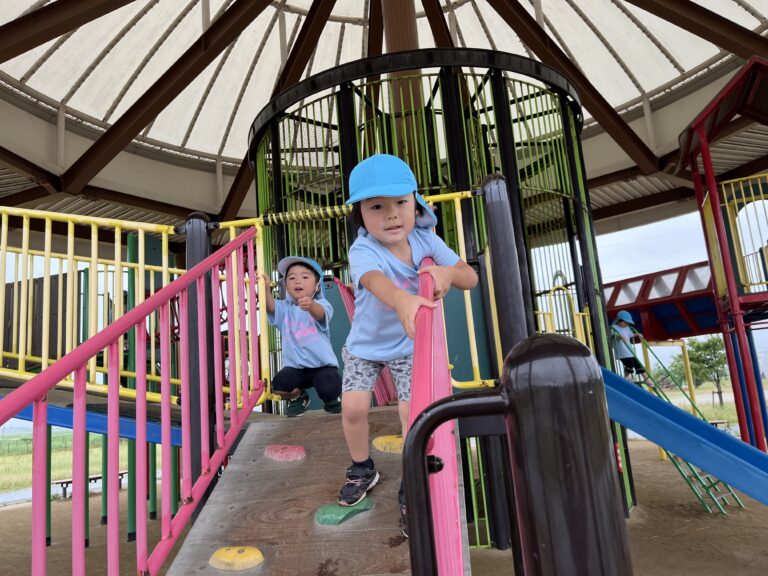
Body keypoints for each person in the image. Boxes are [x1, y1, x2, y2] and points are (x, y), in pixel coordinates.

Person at [337, 154, 478, 539]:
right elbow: (374, 281)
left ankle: (411, 478)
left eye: (400, 202)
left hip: (406, 345)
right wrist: (402, 301)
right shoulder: (363, 249)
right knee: (353, 408)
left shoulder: (425, 240)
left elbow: (469, 277)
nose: (391, 214)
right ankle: (362, 468)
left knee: (410, 412)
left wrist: (447, 272)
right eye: (376, 207)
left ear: (416, 203)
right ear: (360, 214)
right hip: (364, 346)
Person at [261, 256, 342, 417]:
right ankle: (299, 397)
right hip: (296, 369)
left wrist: (311, 306)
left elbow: (321, 314)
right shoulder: (285, 308)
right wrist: (265, 289)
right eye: (291, 278)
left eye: (305, 277)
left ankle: (331, 399)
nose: (298, 281)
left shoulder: (322, 304)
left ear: (317, 285)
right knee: (279, 384)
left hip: (322, 366)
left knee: (329, 385)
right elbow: (270, 307)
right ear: (286, 285)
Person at [612, 310, 649, 384]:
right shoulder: (613, 328)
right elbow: (613, 336)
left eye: (628, 323)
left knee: (638, 364)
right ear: (619, 321)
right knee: (629, 364)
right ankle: (627, 377)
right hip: (622, 352)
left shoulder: (627, 328)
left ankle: (647, 379)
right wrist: (619, 337)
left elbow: (631, 335)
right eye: (625, 322)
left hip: (629, 351)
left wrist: (637, 334)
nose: (627, 324)